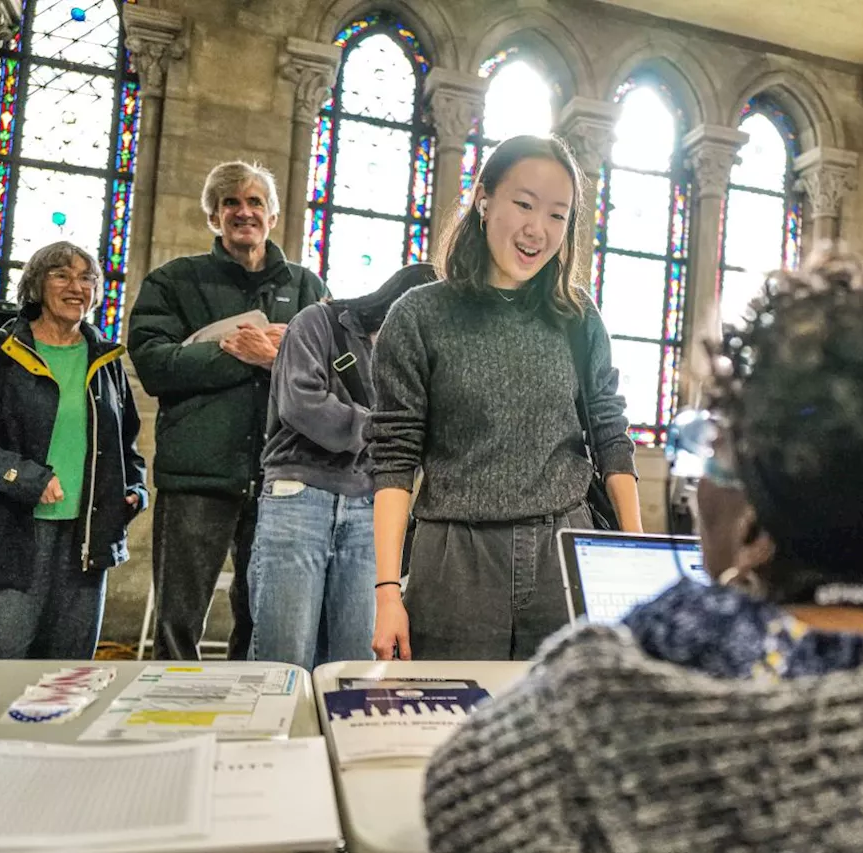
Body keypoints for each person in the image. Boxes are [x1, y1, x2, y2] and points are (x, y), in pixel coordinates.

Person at [422, 254, 863, 853]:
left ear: (755, 519)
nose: (699, 488)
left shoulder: (608, 693)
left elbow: (460, 799)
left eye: (713, 456)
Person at [369, 134, 641, 662]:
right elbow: (393, 458)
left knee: (561, 725)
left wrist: (635, 561)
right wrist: (386, 592)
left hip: (563, 553)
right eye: (523, 203)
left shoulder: (577, 316)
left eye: (558, 215)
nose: (537, 229)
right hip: (455, 561)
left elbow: (610, 434)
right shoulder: (419, 316)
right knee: (452, 726)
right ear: (484, 198)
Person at [128, 161, 329, 661]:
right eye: (231, 203)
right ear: (215, 217)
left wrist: (274, 356)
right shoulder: (174, 281)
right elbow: (155, 364)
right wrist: (233, 352)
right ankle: (169, 718)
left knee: (263, 619)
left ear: (273, 215)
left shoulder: (308, 289)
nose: (244, 212)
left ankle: (250, 718)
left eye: (255, 202)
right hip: (199, 476)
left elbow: (334, 372)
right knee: (178, 621)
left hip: (283, 480)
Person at [0, 241, 147, 659]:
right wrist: (22, 476)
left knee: (63, 683)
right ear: (36, 284)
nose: (77, 287)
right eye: (62, 275)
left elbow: (128, 447)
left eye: (87, 278)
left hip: (85, 548)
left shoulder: (105, 360)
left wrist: (134, 490)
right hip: (9, 542)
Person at [249, 263, 438, 669]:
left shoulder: (419, 357)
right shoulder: (319, 321)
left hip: (369, 505)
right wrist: (379, 428)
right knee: (284, 658)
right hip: (299, 496)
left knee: (356, 663)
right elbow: (301, 402)